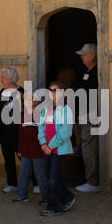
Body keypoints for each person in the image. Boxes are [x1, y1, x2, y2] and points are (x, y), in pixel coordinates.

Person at [38, 82, 76, 216]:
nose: (53, 93)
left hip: (58, 150)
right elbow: (41, 127)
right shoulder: (46, 110)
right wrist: (43, 143)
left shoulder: (66, 110)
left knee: (53, 178)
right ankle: (68, 197)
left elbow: (66, 132)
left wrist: (50, 146)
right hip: (47, 149)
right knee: (49, 176)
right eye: (51, 90)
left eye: (56, 90)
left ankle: (54, 207)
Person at [74, 43, 102, 193]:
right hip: (84, 115)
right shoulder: (88, 72)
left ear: (92, 55)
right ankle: (91, 180)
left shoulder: (97, 72)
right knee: (86, 147)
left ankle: (93, 182)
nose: (82, 58)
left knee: (89, 148)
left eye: (84, 55)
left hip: (92, 116)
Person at [14, 85, 46, 203]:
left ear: (36, 101)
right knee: (23, 174)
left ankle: (46, 197)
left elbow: (44, 134)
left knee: (41, 176)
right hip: (26, 151)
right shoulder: (23, 117)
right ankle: (22, 195)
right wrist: (20, 149)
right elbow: (20, 136)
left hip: (38, 151)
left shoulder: (41, 116)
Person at [0, 67, 23, 192]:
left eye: (3, 77)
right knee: (8, 157)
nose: (1, 80)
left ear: (11, 79)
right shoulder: (2, 92)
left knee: (24, 157)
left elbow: (27, 111)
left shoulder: (22, 91)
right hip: (4, 130)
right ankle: (12, 183)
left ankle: (36, 183)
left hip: (18, 131)